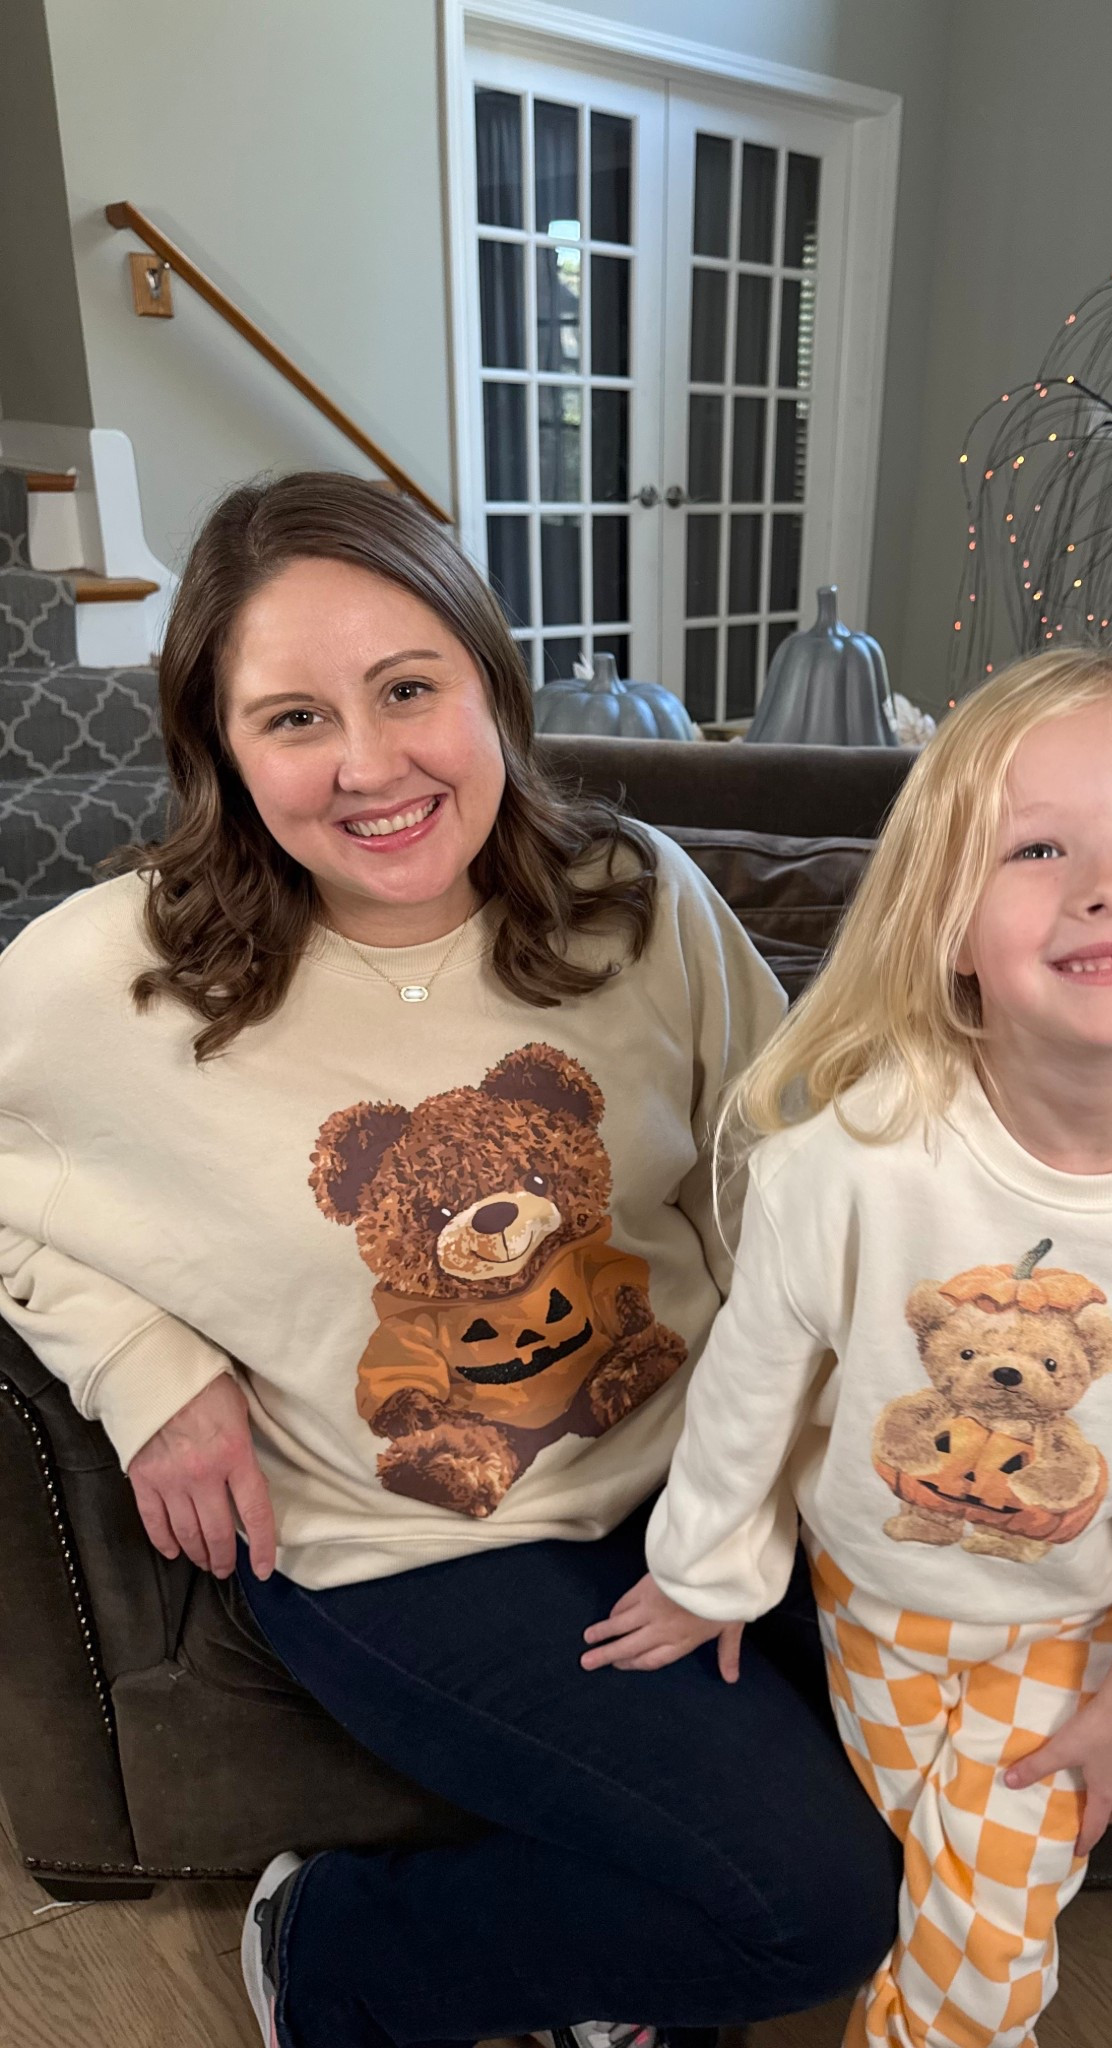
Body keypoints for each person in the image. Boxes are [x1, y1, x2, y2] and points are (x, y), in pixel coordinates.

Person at [0, 472, 902, 2048]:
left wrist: (784, 1478)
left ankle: (608, 1986)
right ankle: (333, 1948)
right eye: (291, 718)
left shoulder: (637, 900)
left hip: (708, 1465)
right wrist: (145, 1363)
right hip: (407, 1548)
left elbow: (790, 1174)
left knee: (938, 1778)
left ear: (489, 683)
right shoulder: (107, 974)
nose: (368, 765)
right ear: (219, 747)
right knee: (819, 1903)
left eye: (409, 689)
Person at [583, 650, 1112, 2048]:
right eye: (1037, 848)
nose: (1109, 882)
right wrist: (703, 1576)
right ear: (948, 925)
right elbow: (755, 1383)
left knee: (988, 1938)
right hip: (871, 1604)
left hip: (1074, 1628)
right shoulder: (851, 1164)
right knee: (959, 1891)